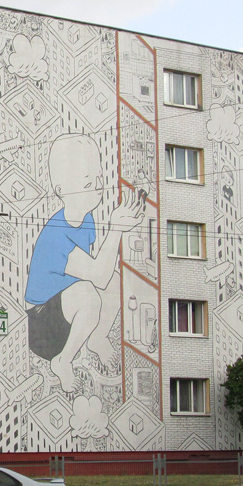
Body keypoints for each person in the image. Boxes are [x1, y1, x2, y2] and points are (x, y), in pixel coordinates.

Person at [25, 134, 145, 391]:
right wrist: (116, 229)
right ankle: (62, 361)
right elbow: (96, 277)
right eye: (89, 183)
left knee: (114, 280)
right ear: (61, 191)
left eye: (99, 179)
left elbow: (101, 272)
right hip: (41, 327)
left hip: (65, 310)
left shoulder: (86, 219)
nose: (98, 188)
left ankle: (97, 338)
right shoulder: (56, 235)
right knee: (89, 293)